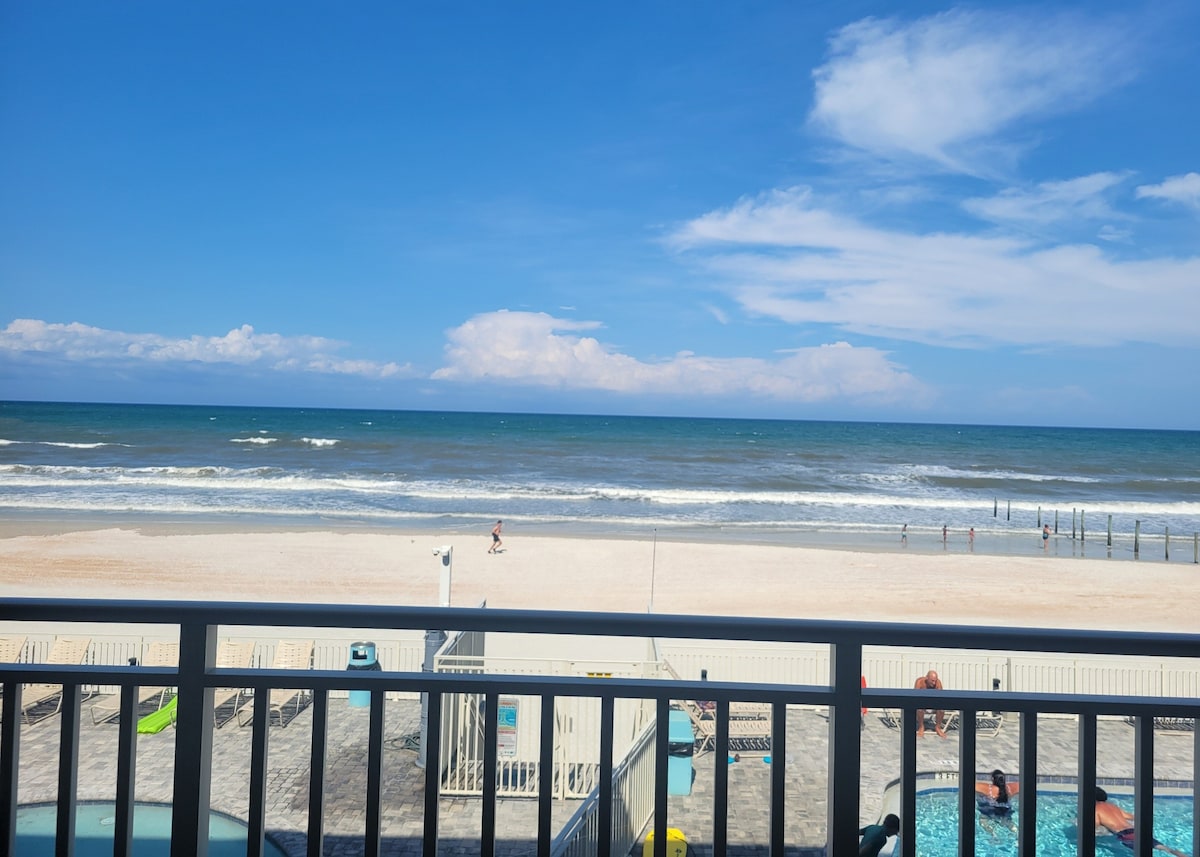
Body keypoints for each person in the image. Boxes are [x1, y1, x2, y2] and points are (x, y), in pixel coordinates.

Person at [1094, 787, 1188, 856]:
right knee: (1164, 849)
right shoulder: (1113, 806)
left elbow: (1096, 825)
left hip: (1125, 834)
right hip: (1136, 830)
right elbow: (1133, 817)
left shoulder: (1096, 809)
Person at [975, 769, 1019, 835]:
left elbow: (970, 784)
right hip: (1005, 811)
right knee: (1010, 823)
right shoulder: (1010, 788)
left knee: (983, 820)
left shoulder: (988, 789)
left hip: (991, 811)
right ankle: (1017, 833)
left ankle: (993, 835)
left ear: (993, 779)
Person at [915, 670, 947, 737]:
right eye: (932, 681)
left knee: (941, 709)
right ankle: (921, 726)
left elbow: (940, 698)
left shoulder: (938, 683)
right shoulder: (920, 682)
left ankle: (938, 727)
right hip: (922, 703)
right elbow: (916, 696)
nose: (934, 683)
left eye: (935, 680)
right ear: (927, 678)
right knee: (919, 708)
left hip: (933, 703)